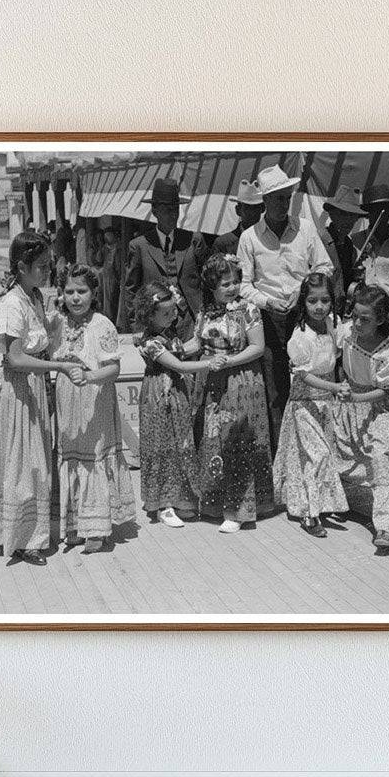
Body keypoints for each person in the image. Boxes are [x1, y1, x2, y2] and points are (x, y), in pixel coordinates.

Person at [0, 232, 87, 565]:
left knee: (34, 461)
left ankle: (27, 533)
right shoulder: (11, 304)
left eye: (48, 265)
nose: (46, 271)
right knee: (24, 463)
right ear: (21, 267)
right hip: (16, 389)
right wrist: (60, 366)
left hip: (35, 386)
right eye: (40, 266)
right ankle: (24, 539)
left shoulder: (35, 296)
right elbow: (14, 357)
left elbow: (37, 343)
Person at [237, 164, 334, 448]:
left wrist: (302, 292)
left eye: (286, 197)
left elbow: (324, 266)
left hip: (305, 318)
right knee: (276, 389)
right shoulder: (249, 237)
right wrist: (267, 301)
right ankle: (282, 457)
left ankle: (315, 449)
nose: (283, 203)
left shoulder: (304, 228)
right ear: (264, 201)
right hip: (268, 321)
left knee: (311, 383)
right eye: (276, 198)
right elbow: (243, 285)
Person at [52, 264, 136, 553]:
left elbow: (113, 368)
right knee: (71, 456)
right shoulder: (59, 324)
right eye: (69, 291)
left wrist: (87, 376)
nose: (75, 298)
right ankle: (75, 524)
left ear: (94, 293)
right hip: (67, 398)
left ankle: (97, 529)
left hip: (94, 398)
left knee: (94, 459)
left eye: (82, 291)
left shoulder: (102, 324)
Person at [194, 253, 274, 533]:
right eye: (224, 284)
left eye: (235, 282)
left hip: (242, 381)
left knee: (239, 441)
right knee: (216, 440)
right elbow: (196, 342)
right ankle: (217, 503)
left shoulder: (249, 310)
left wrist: (227, 361)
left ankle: (239, 510)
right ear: (211, 286)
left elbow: (257, 347)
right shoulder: (206, 312)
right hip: (214, 382)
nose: (231, 288)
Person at [133, 282, 216, 527]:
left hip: (176, 393)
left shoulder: (168, 336)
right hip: (159, 394)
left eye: (173, 312)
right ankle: (162, 503)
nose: (172, 317)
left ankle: (181, 498)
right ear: (150, 315)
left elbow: (190, 347)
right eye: (166, 313)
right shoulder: (151, 342)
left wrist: (203, 331)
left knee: (180, 441)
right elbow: (178, 364)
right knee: (162, 443)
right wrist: (209, 364)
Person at [272, 272, 349, 536]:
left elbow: (341, 354)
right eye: (313, 301)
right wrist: (335, 387)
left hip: (326, 405)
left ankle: (324, 503)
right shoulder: (301, 337)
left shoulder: (331, 326)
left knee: (320, 456)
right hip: (305, 403)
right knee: (318, 455)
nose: (319, 307)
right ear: (303, 303)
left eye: (325, 300)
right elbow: (304, 374)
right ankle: (309, 513)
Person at [331, 285, 389, 551]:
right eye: (355, 316)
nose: (358, 323)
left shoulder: (387, 353)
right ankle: (348, 503)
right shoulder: (347, 334)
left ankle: (386, 526)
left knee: (379, 464)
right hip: (347, 406)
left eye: (366, 319)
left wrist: (355, 398)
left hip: (376, 410)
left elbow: (382, 392)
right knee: (346, 462)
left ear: (380, 320)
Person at [117, 177, 205, 337]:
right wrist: (138, 328)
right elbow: (130, 291)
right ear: (155, 211)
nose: (173, 215)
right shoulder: (139, 246)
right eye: (167, 210)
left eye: (175, 210)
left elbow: (206, 281)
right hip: (156, 326)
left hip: (191, 322)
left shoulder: (193, 240)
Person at [319, 185, 367, 315]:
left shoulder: (348, 244)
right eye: (343, 214)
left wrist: (357, 274)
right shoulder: (319, 239)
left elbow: (348, 280)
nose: (349, 220)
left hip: (339, 311)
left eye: (352, 216)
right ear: (332, 214)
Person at [211, 179, 264, 257]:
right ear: (238, 210)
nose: (252, 213)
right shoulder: (223, 244)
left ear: (262, 209)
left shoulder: (270, 240)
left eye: (256, 208)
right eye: (247, 208)